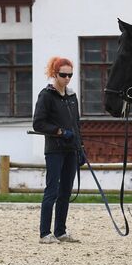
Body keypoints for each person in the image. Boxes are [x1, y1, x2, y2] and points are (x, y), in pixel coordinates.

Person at [31, 56, 83, 244]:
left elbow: (76, 124)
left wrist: (80, 148)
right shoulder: (46, 95)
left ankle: (60, 231)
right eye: (63, 75)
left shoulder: (72, 96)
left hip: (71, 150)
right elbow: (38, 123)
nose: (67, 78)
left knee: (66, 191)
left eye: (70, 75)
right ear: (55, 74)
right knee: (52, 190)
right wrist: (59, 131)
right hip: (54, 149)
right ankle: (45, 233)